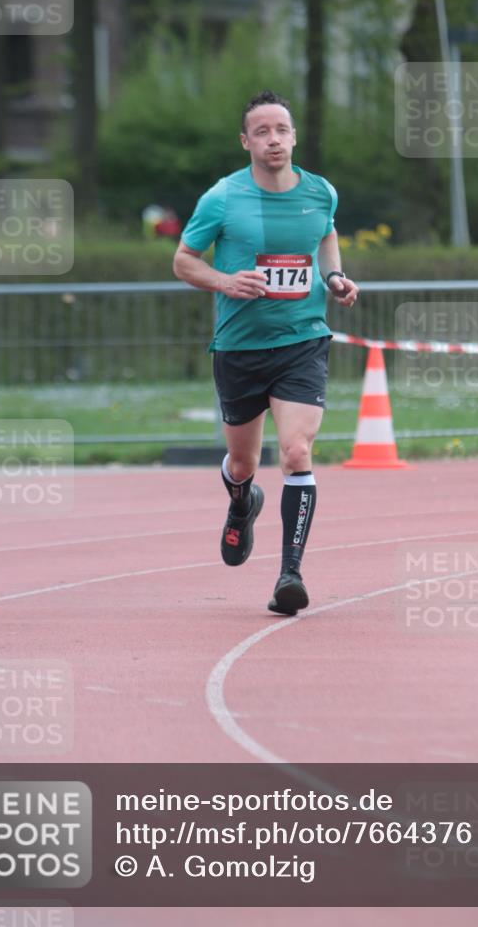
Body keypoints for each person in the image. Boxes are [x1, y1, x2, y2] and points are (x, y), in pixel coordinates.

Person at [173, 90, 358, 616]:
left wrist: (334, 276)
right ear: (246, 141)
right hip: (239, 348)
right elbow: (184, 261)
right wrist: (225, 281)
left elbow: (326, 236)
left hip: (302, 340)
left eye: (281, 129)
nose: (273, 139)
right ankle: (240, 503)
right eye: (262, 131)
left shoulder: (321, 192)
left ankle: (290, 575)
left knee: (297, 452)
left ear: (294, 136)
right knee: (243, 460)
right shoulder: (222, 198)